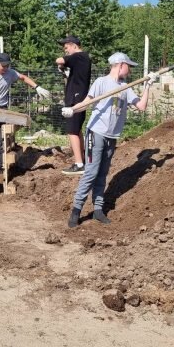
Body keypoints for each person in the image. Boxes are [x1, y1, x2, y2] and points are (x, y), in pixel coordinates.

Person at [62, 52, 157, 228]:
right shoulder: (101, 82)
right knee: (91, 172)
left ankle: (98, 210)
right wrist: (72, 110)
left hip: (112, 136)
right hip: (96, 132)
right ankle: (76, 210)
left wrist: (147, 86)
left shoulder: (126, 87)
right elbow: (87, 102)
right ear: (120, 65)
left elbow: (141, 106)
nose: (130, 70)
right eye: (128, 66)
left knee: (102, 173)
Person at [0, 52, 51, 174]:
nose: (5, 68)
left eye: (7, 66)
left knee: (0, 140)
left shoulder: (10, 73)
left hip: (1, 110)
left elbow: (23, 78)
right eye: (3, 66)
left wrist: (37, 87)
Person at [55, 35, 92, 175]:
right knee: (77, 130)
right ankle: (82, 159)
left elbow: (59, 60)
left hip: (75, 99)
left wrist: (61, 64)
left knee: (71, 131)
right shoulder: (83, 59)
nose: (66, 51)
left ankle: (79, 164)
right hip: (78, 97)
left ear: (74, 45)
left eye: (66, 48)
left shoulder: (79, 56)